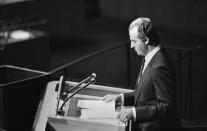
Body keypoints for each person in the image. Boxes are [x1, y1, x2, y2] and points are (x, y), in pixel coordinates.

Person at [102, 17, 180, 131]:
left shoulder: (160, 66)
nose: (131, 46)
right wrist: (121, 97)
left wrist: (133, 113)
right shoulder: (148, 57)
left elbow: (166, 107)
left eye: (134, 41)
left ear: (146, 40)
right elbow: (146, 94)